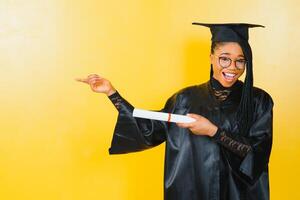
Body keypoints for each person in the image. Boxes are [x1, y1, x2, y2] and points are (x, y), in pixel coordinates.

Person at [76, 23, 274, 200]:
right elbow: (149, 129)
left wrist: (213, 131)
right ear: (211, 57)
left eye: (240, 61)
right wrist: (112, 93)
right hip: (191, 191)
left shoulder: (258, 101)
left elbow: (258, 152)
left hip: (239, 194)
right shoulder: (185, 99)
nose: (232, 67)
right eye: (224, 59)